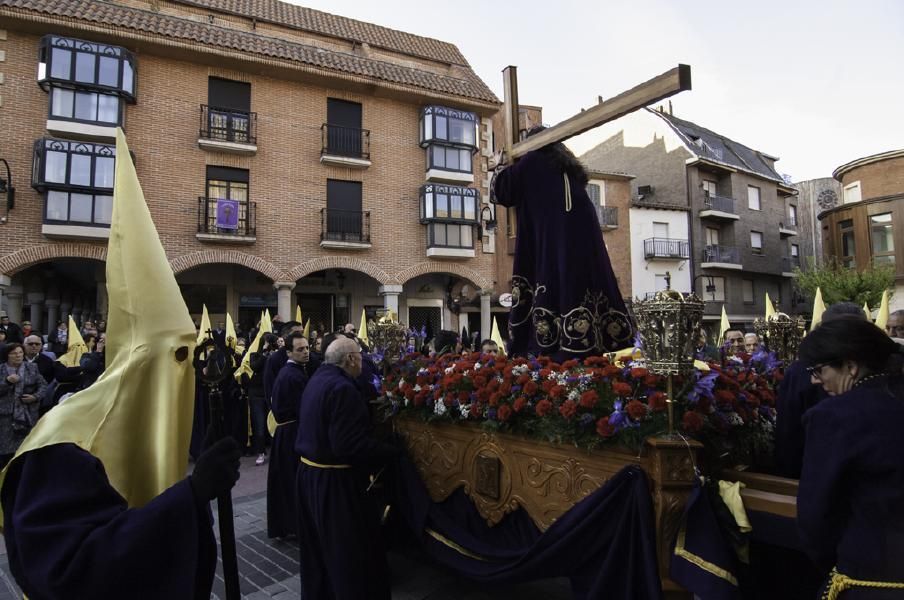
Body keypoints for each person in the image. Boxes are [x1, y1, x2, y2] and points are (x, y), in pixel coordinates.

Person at [491, 127, 633, 359]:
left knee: (556, 278)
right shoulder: (569, 168)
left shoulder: (533, 160)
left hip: (554, 238)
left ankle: (558, 347)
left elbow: (501, 192)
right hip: (584, 241)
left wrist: (500, 165)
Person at [796, 317, 904, 598]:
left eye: (819, 370)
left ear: (851, 366)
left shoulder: (833, 417)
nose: (814, 380)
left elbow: (816, 515)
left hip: (871, 576)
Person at [295, 336, 399, 600]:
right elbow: (349, 446)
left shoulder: (318, 378)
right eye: (361, 357)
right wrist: (390, 452)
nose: (363, 362)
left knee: (321, 551)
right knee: (348, 554)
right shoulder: (343, 389)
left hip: (310, 476)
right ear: (351, 359)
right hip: (335, 483)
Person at [774, 301, 865, 479]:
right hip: (815, 471)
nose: (816, 379)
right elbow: (789, 431)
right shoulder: (800, 371)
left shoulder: (880, 370)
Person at [267, 332, 309, 538]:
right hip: (291, 433)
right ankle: (294, 525)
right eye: (300, 349)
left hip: (287, 432)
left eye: (307, 348)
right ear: (289, 352)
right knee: (291, 482)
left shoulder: (292, 372)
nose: (306, 352)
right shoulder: (293, 375)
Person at [0, 343, 47, 468]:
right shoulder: (1, 370)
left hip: (27, 415)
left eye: (20, 352)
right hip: (5, 417)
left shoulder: (32, 367)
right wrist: (7, 382)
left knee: (25, 450)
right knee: (5, 451)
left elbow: (43, 386)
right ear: (7, 355)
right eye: (14, 353)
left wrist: (35, 397)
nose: (18, 355)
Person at [246, 332, 277, 466]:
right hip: (257, 394)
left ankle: (276, 452)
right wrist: (264, 354)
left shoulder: (275, 355)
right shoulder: (255, 354)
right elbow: (255, 367)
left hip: (271, 393)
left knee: (274, 424)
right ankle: (261, 452)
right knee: (259, 425)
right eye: (266, 342)